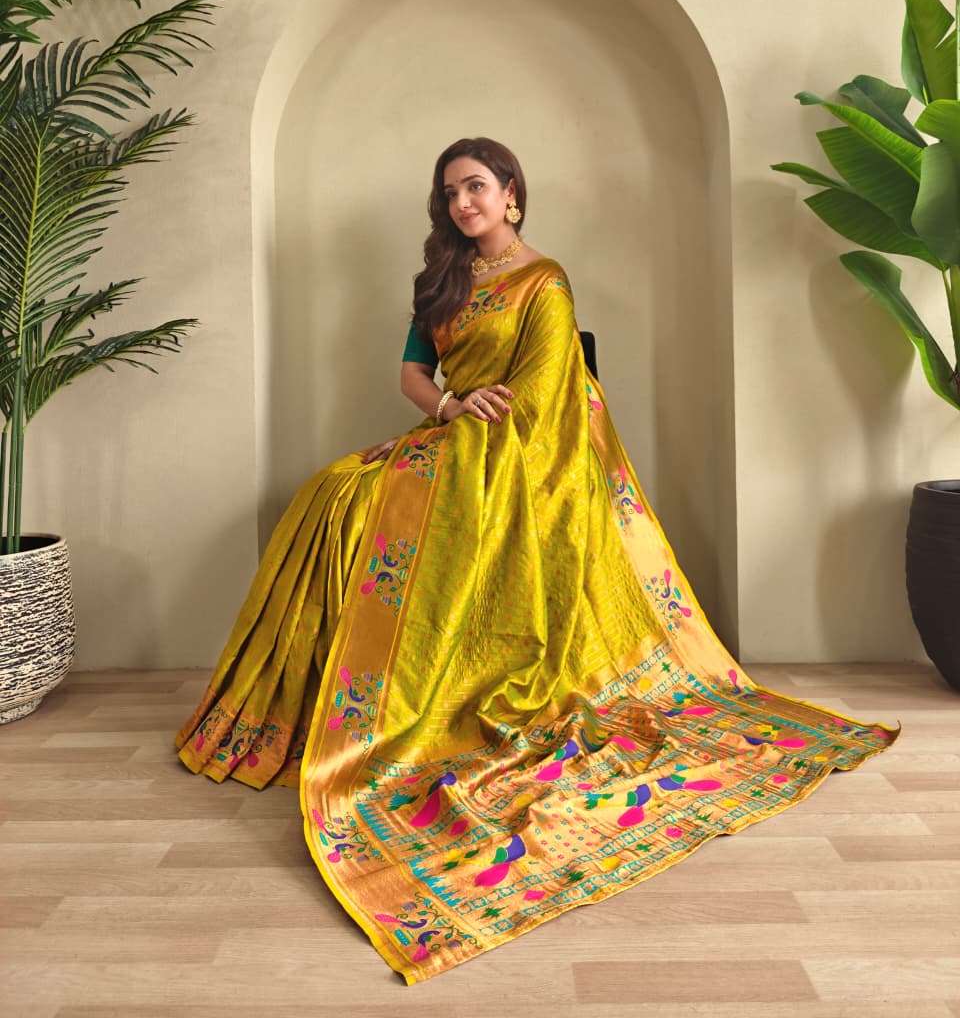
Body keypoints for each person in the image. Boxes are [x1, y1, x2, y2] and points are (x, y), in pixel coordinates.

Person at [174, 135, 902, 986]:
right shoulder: (440, 281)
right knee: (329, 493)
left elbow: (548, 395)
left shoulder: (544, 282)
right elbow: (412, 376)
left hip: (518, 455)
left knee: (369, 501)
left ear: (512, 194)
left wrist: (481, 440)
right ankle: (315, 704)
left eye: (477, 186)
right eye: (451, 191)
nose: (463, 202)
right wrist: (449, 407)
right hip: (451, 433)